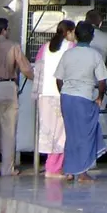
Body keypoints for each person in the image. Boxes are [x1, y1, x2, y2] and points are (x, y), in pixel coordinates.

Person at [0, 18, 33, 178]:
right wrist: (36, 78)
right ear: (4, 30)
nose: (9, 32)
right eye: (8, 29)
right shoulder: (14, 46)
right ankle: (7, 169)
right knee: (8, 131)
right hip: (7, 87)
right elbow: (26, 69)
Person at [55, 21, 107, 182]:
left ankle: (69, 170)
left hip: (67, 98)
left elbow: (59, 79)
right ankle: (83, 173)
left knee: (71, 134)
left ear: (76, 36)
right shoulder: (95, 55)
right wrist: (99, 97)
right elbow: (102, 81)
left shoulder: (67, 54)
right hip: (84, 98)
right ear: (91, 37)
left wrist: (64, 93)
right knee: (86, 135)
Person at [33, 21, 75, 178]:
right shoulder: (70, 47)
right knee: (62, 133)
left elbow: (37, 69)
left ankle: (51, 165)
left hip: (45, 95)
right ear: (69, 32)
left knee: (50, 132)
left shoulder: (45, 47)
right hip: (61, 94)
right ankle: (54, 168)